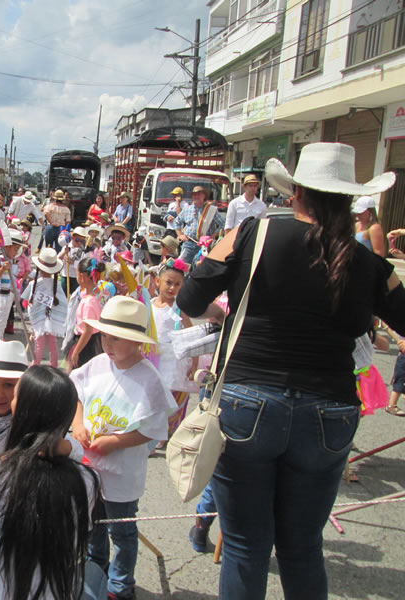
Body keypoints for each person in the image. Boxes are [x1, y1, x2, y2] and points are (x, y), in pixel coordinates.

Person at [176, 142, 405, 599]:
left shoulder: (251, 234)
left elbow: (188, 299)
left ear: (295, 191)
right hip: (331, 411)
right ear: (348, 200)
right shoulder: (369, 263)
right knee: (302, 547)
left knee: (244, 545)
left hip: (246, 403)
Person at [0, 364, 104, 600]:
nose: (3, 395)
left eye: (13, 391)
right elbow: (81, 533)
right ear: (69, 415)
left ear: (19, 409)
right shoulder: (88, 480)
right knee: (95, 572)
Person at [70, 296, 176, 600]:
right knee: (93, 522)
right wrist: (78, 425)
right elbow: (75, 394)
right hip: (90, 465)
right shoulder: (97, 365)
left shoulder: (148, 379)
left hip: (122, 472)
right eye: (105, 336)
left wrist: (117, 441)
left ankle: (120, 583)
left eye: (116, 339)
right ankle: (96, 567)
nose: (108, 344)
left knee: (123, 530)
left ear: (137, 343)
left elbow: (154, 429)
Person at [151, 258, 198, 438]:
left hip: (174, 363)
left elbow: (193, 335)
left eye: (177, 284)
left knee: (172, 400)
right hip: (155, 361)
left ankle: (164, 433)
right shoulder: (150, 305)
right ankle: (155, 432)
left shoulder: (180, 309)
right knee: (155, 398)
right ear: (157, 281)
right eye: (168, 283)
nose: (172, 288)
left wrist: (195, 363)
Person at [23, 248, 67, 367]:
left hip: (39, 319)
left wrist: (33, 315)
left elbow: (27, 302)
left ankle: (35, 364)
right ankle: (54, 365)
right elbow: (63, 304)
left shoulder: (34, 284)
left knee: (39, 342)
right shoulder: (56, 285)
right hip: (52, 318)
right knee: (53, 342)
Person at [67, 256, 105, 370]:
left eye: (77, 274)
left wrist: (76, 351)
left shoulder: (89, 302)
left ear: (82, 277)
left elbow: (88, 331)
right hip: (95, 340)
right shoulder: (98, 294)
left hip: (86, 344)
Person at [174, 185, 224, 265]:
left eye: (199, 194)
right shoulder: (187, 209)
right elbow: (176, 222)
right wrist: (180, 235)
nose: (196, 196)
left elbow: (223, 225)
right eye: (194, 194)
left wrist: (213, 236)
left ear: (204, 196)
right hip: (188, 243)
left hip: (204, 246)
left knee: (199, 268)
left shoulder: (211, 210)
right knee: (183, 267)